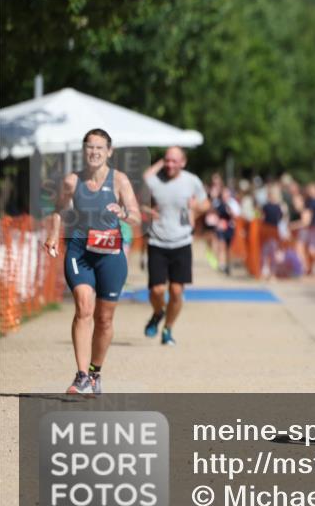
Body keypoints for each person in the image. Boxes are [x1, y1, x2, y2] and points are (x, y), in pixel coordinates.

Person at [44, 129, 142, 394]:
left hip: (110, 255)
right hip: (79, 250)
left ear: (109, 151)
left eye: (100, 148)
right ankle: (81, 376)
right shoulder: (71, 181)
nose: (94, 152)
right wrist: (54, 234)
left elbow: (136, 217)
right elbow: (58, 210)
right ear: (83, 150)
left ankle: (95, 373)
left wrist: (123, 213)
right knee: (84, 308)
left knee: (105, 319)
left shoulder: (119, 180)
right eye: (90, 147)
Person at [142, 147, 210, 345]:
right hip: (157, 241)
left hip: (182, 242)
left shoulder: (192, 181)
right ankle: (157, 313)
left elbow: (206, 204)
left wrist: (195, 207)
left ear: (183, 162)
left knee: (177, 291)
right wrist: (147, 210)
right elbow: (136, 201)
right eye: (167, 160)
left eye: (174, 161)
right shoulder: (153, 181)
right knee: (156, 291)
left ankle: (168, 329)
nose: (170, 165)